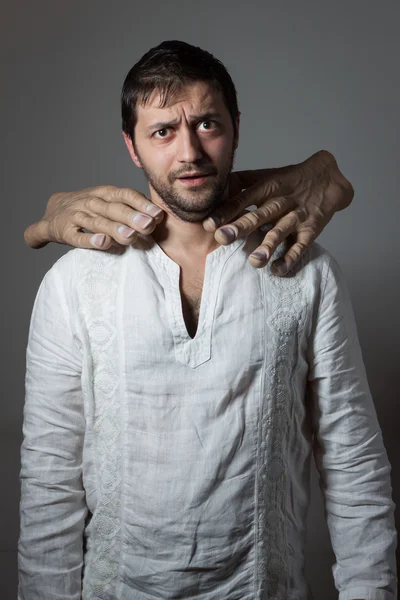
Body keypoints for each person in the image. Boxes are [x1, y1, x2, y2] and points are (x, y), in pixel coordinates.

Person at [19, 40, 396, 600]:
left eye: (207, 124)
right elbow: (49, 476)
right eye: (163, 131)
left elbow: (354, 461)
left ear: (236, 127)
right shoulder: (75, 282)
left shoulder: (309, 272)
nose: (190, 151)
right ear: (132, 146)